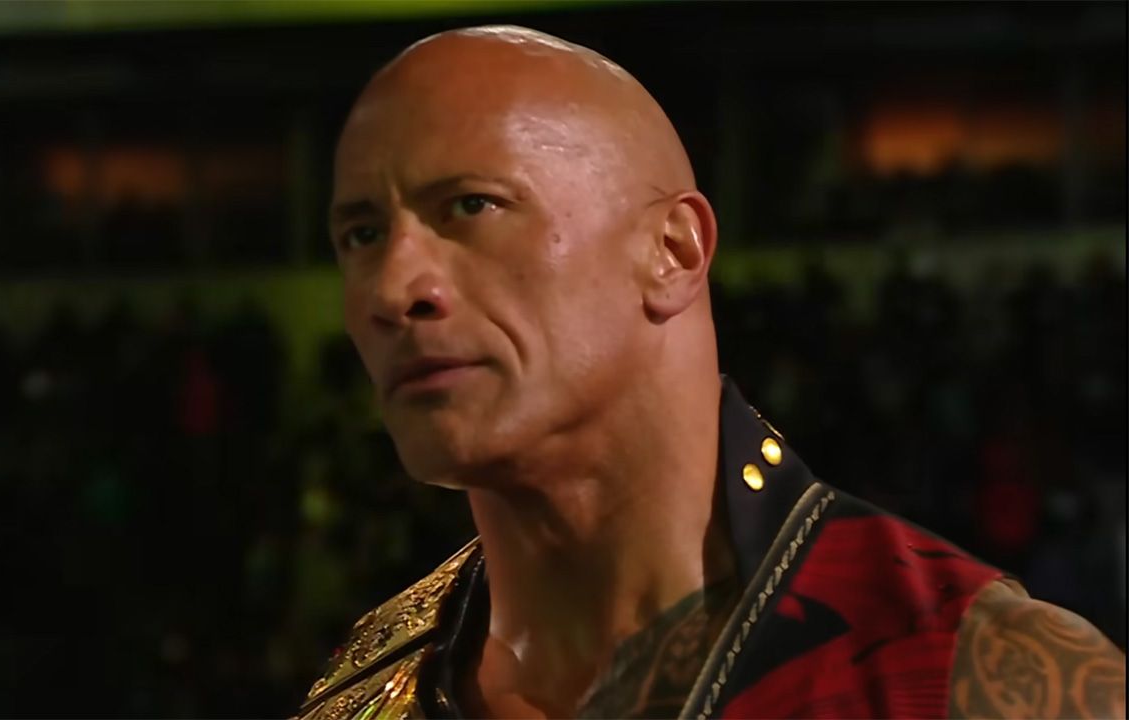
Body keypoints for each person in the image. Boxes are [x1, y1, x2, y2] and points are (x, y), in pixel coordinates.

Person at [294, 25, 1126, 720]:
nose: (393, 289)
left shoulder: (971, 675)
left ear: (673, 252)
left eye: (471, 206)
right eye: (362, 235)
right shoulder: (355, 696)